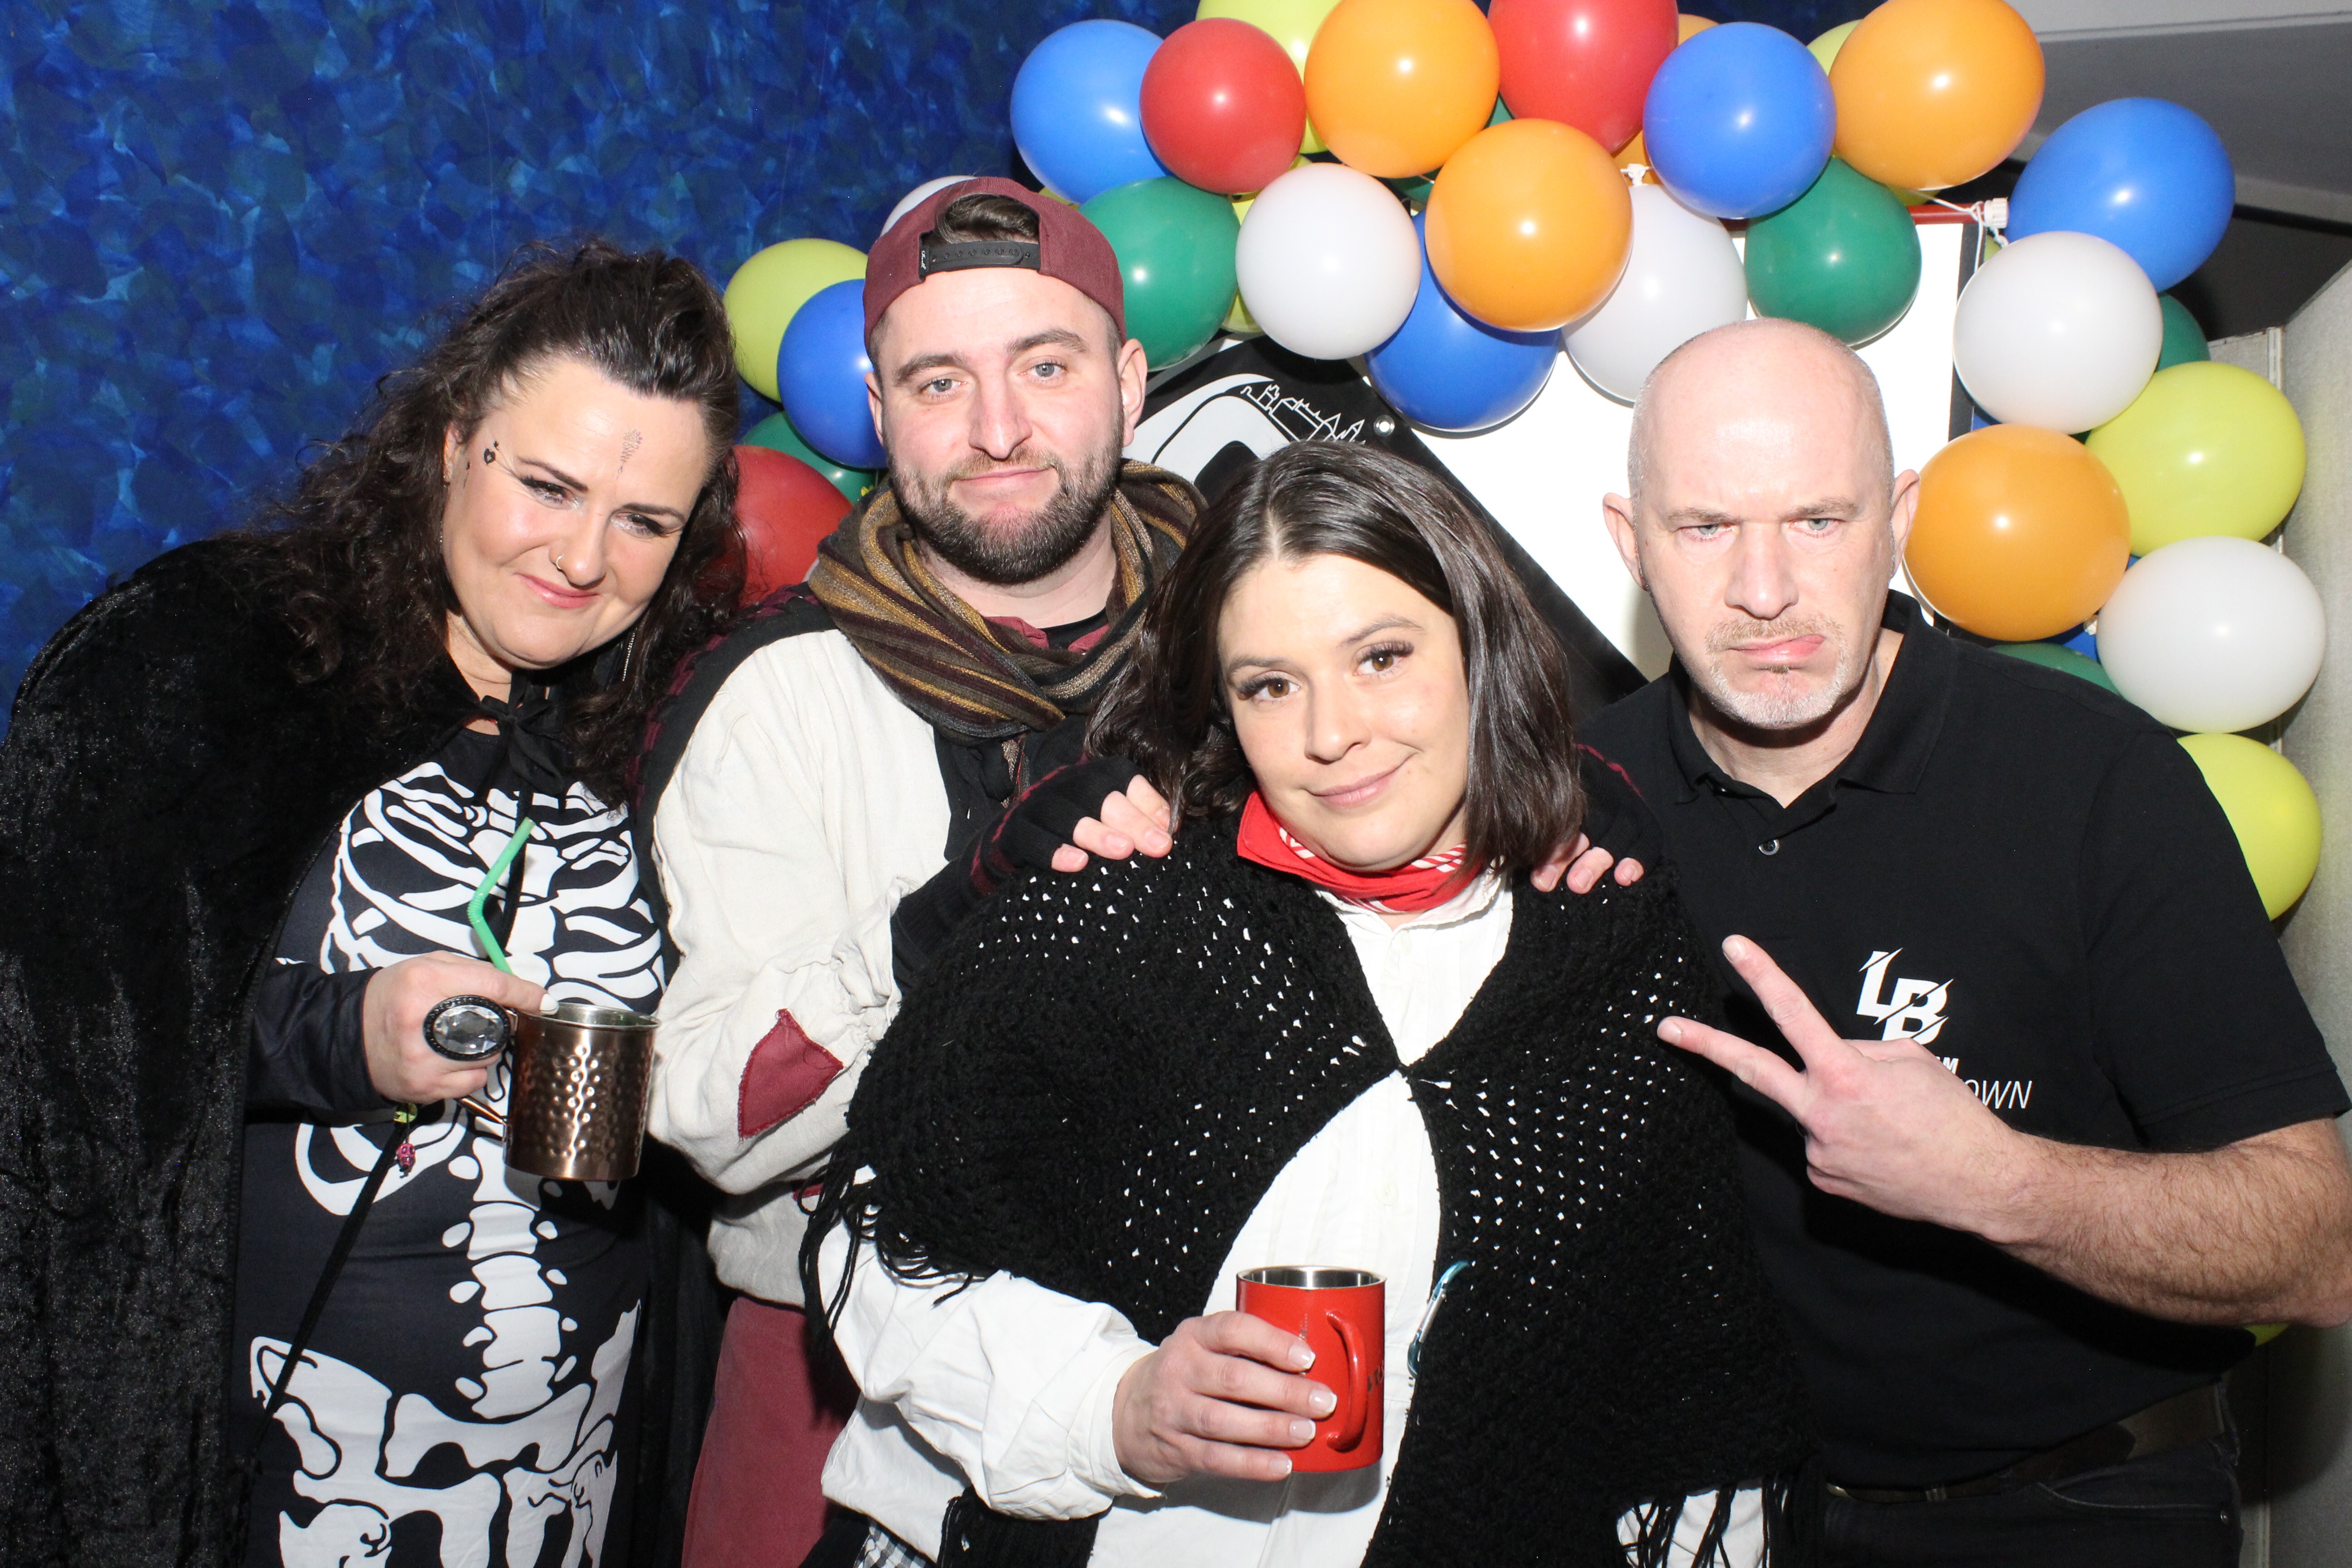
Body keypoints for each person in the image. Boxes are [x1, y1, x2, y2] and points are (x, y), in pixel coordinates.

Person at [637, 181, 1635, 1567]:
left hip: (1231, 1340)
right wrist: (947, 925)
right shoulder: (781, 696)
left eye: (1045, 367)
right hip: (850, 1362)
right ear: (876, 409)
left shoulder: (1260, 627)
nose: (998, 429)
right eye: (940, 382)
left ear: (1125, 379)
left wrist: (1571, 813)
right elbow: (706, 1117)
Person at [793, 438, 1815, 1568]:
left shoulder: (1611, 956)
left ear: (1479, 649)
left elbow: (1682, 1388)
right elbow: (883, 1247)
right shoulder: (1113, 910)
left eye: (1382, 657)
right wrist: (1113, 1406)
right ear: (1222, 708)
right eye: (1270, 686)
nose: (1332, 735)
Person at [0, 239, 745, 1567]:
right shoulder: (218, 672)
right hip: (281, 1482)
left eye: (644, 522)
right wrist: (338, 1039)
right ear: (453, 444)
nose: (584, 557)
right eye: (548, 486)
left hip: (573, 1483)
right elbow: (59, 1068)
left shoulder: (666, 727)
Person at [1581, 316, 2352, 1568]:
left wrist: (1994, 1182)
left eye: (1818, 520)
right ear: (1633, 543)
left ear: (1898, 519)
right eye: (1707, 527)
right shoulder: (1576, 798)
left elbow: (2316, 1250)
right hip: (1725, 1513)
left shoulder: (2090, 778)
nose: (1765, 590)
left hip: (2081, 1508)